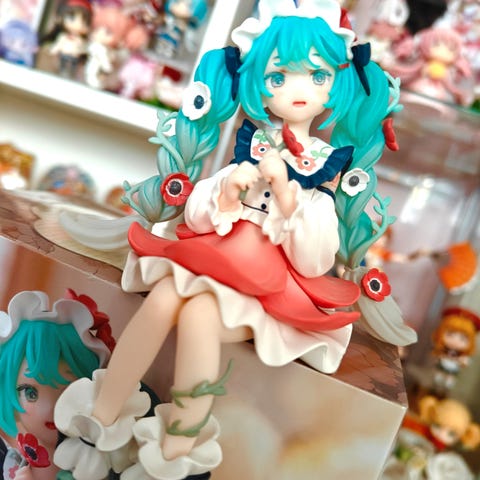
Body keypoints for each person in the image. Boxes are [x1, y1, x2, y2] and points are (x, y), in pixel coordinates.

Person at [55, 1, 414, 479]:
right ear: (258, 81)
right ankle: (100, 416)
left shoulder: (324, 162)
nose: (298, 90)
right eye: (279, 77)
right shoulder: (253, 142)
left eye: (316, 76)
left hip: (268, 282)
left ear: (335, 83)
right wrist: (225, 192)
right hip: (215, 255)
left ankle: (178, 448)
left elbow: (315, 258)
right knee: (163, 297)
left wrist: (287, 197)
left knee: (201, 314)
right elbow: (198, 216)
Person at [0, 290, 113, 480]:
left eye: (68, 391)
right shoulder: (9, 465)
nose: (49, 408)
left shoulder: (98, 468)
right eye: (30, 393)